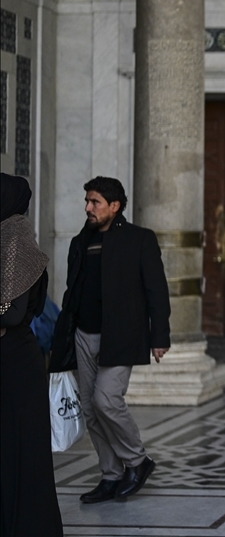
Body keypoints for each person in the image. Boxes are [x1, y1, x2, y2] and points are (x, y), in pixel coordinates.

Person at [49, 176, 171, 503]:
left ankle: (137, 461)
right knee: (90, 409)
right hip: (82, 335)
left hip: (122, 335)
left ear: (114, 206)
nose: (88, 208)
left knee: (107, 400)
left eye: (95, 202)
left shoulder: (140, 240)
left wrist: (160, 336)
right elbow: (72, 289)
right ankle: (111, 474)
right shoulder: (80, 241)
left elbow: (156, 291)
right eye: (87, 201)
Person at [0, 173, 64, 536]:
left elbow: (10, 310)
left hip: (15, 364)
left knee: (19, 454)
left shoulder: (15, 236)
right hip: (9, 358)